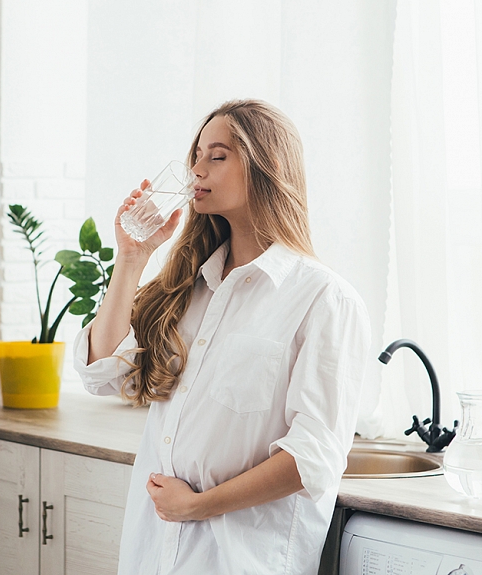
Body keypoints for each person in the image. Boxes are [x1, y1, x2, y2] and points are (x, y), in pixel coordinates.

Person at [73, 99, 371, 575]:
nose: (196, 170)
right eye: (196, 156)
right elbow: (103, 373)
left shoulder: (324, 300)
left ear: (267, 166)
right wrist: (131, 259)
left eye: (217, 156)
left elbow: (312, 457)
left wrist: (200, 505)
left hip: (241, 560)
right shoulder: (189, 288)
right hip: (154, 553)